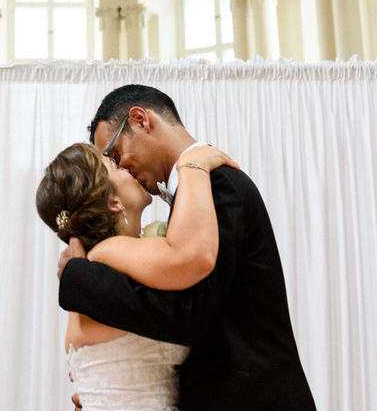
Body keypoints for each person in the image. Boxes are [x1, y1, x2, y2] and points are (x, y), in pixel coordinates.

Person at [58, 84, 317, 411]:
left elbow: (186, 314)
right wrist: (104, 387)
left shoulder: (218, 184)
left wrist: (76, 274)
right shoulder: (192, 197)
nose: (122, 171)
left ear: (140, 121)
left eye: (116, 156)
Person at [37, 139, 237, 410]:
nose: (128, 169)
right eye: (115, 167)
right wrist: (193, 165)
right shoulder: (108, 256)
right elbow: (191, 254)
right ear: (114, 202)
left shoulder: (99, 266)